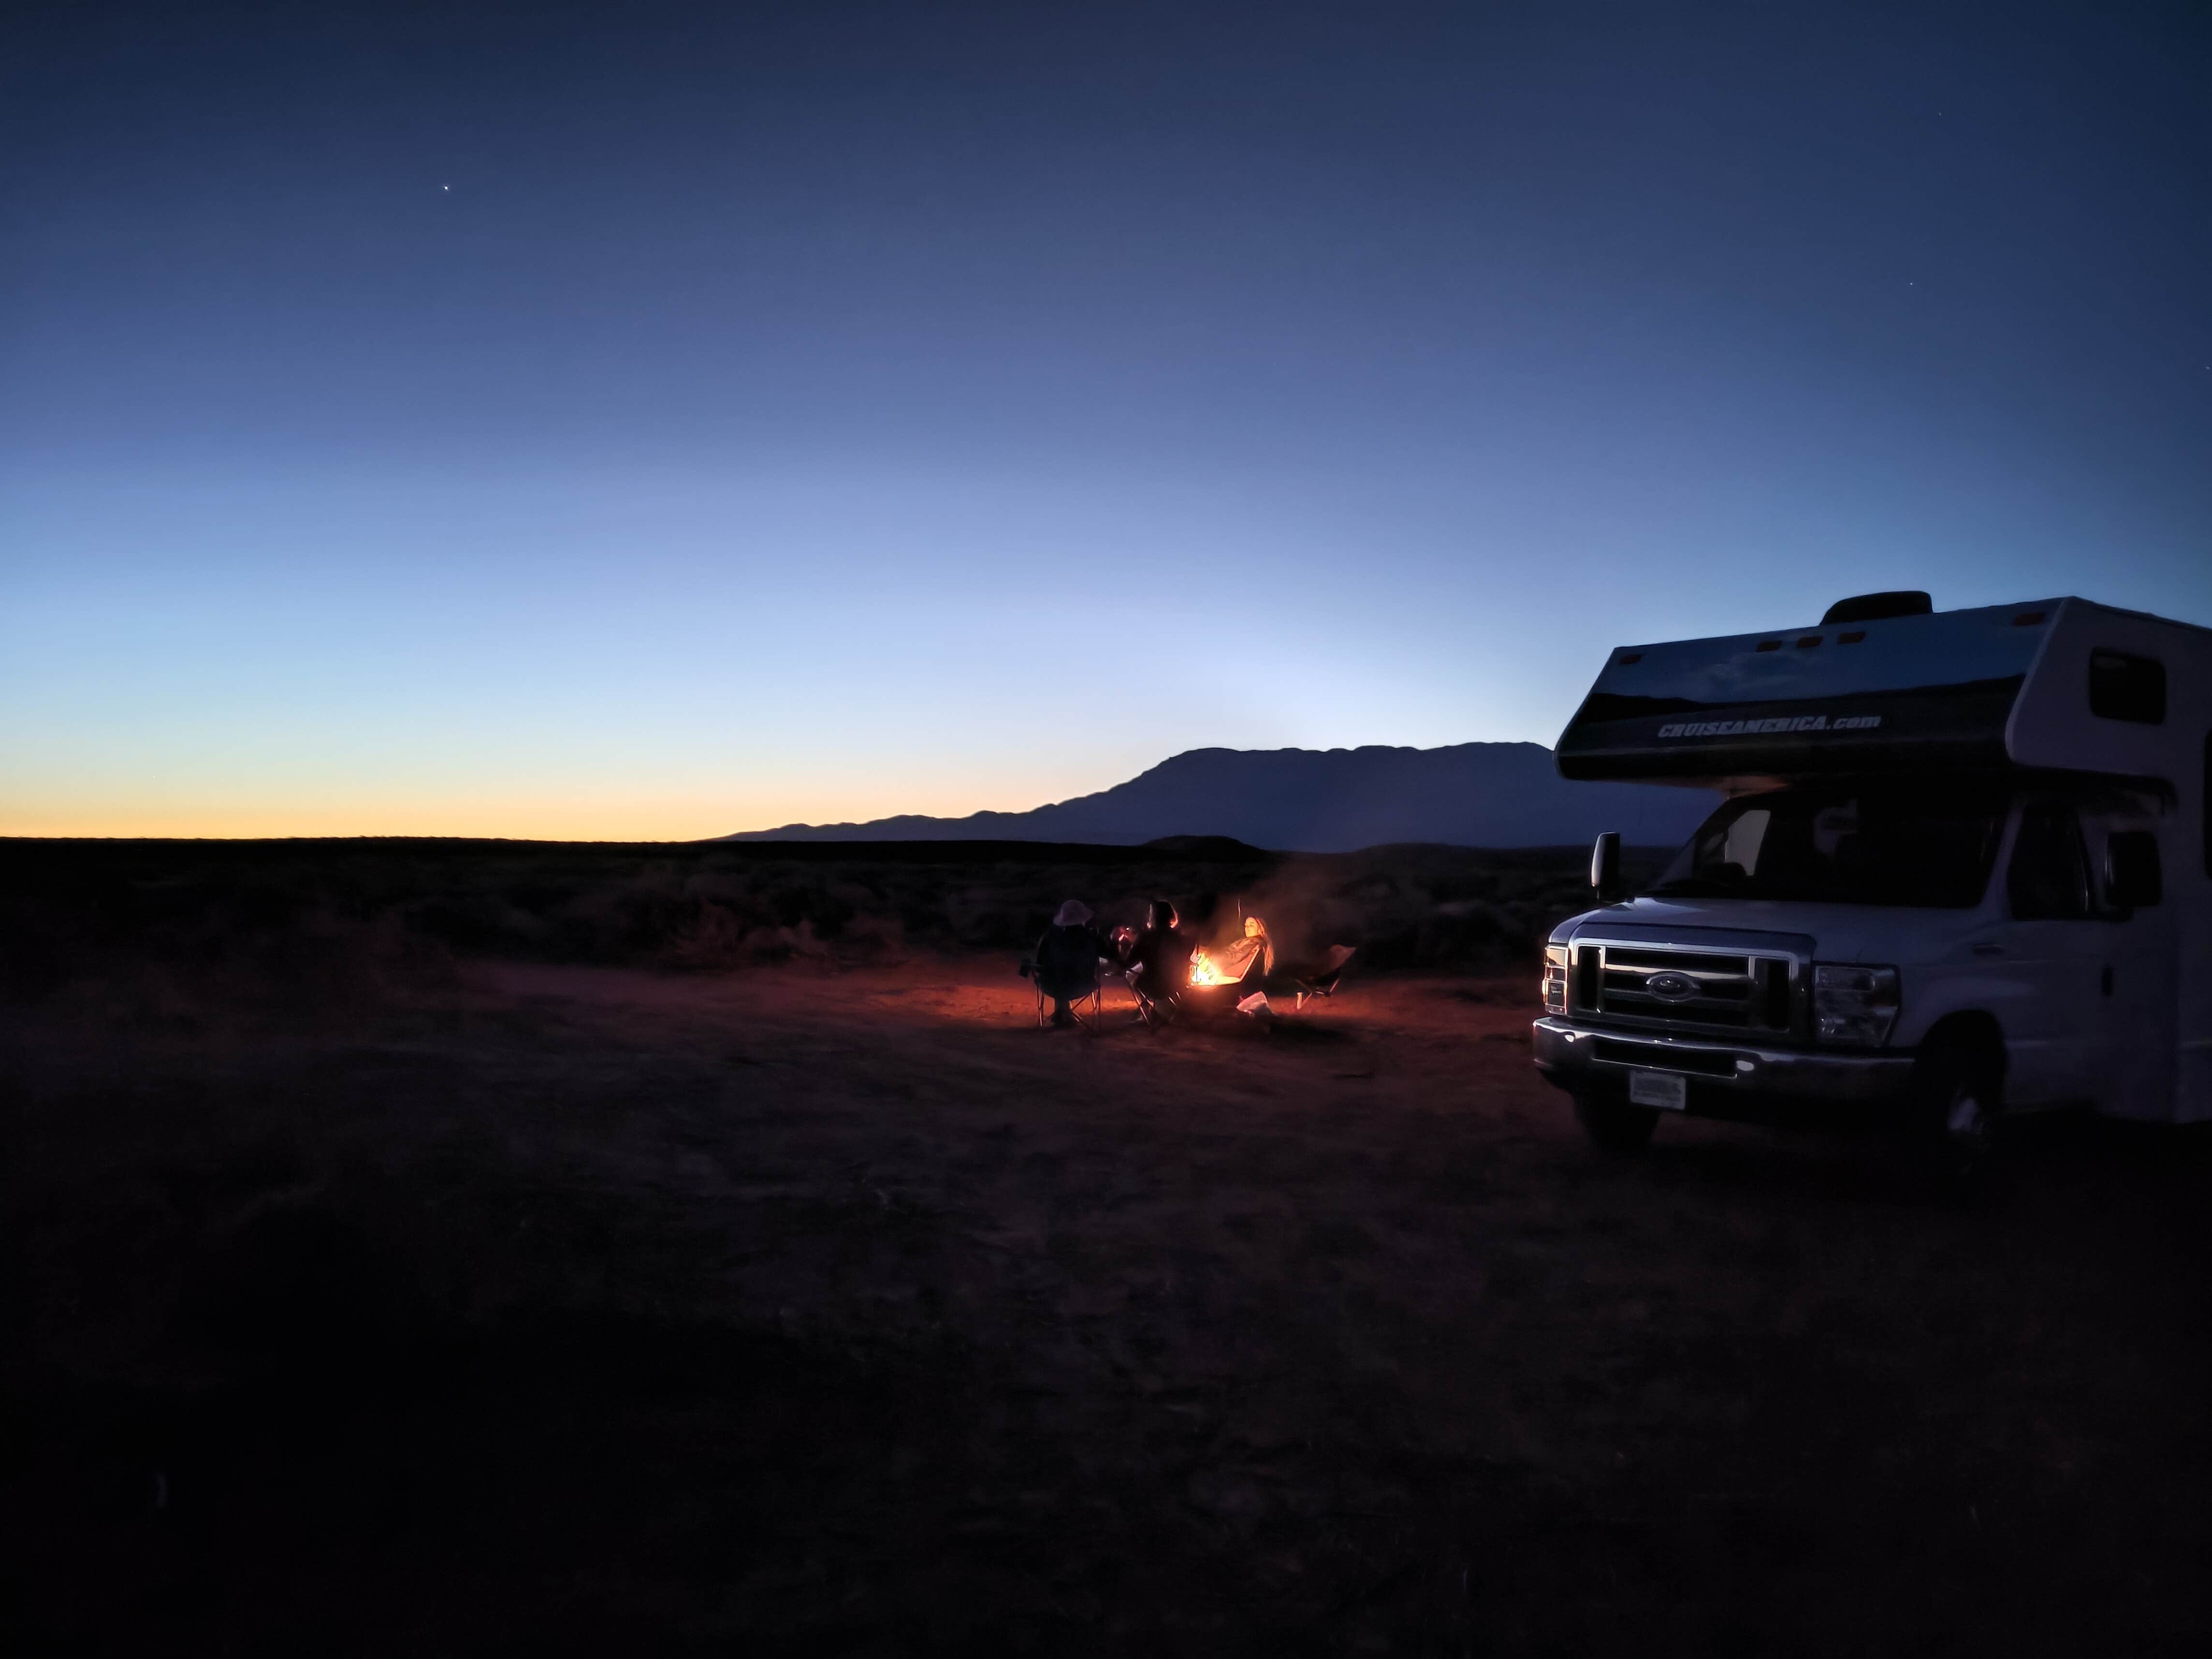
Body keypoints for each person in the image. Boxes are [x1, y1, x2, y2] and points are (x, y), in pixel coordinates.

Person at [1032, 899, 1108, 1028]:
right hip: (1084, 985)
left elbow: (1040, 964)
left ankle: (1062, 1013)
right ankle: (1064, 1014)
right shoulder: (1093, 938)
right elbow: (1108, 956)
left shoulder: (1050, 938)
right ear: (1084, 919)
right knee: (1066, 975)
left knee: (1059, 975)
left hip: (1053, 987)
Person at [1128, 899, 1191, 1013]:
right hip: (1177, 984)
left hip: (1153, 987)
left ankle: (1146, 1006)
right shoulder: (1180, 938)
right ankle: (1166, 1009)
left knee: (1132, 975)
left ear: (1152, 917)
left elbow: (1129, 963)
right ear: (1172, 915)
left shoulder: (1145, 938)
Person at [1209, 913, 1275, 984]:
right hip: (1229, 975)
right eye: (1246, 926)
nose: (1247, 928)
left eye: (1251, 925)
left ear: (1260, 929)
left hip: (1231, 978)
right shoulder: (1252, 942)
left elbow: (1235, 957)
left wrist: (1213, 959)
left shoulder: (1255, 943)